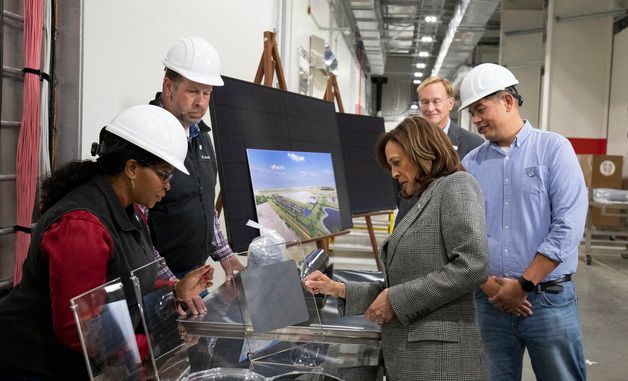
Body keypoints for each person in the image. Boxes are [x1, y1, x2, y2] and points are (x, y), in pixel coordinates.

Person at [0, 105, 214, 380]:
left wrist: (174, 289)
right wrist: (154, 346)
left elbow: (125, 282)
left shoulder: (128, 211)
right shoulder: (81, 226)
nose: (168, 186)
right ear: (132, 168)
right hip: (30, 365)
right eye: (163, 174)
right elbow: (82, 327)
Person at [305, 116, 489, 381]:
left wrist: (396, 300)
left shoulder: (456, 185)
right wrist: (338, 289)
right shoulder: (424, 197)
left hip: (440, 362)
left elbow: (472, 266)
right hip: (414, 357)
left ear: (421, 152)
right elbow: (401, 284)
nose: (393, 173)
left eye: (396, 163)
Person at [460, 63, 588, 380]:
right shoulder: (470, 164)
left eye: (480, 109)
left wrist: (524, 285)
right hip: (489, 303)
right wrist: (491, 288)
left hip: (548, 300)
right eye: (472, 113)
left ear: (507, 101)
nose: (475, 120)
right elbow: (460, 233)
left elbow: (568, 226)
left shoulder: (554, 149)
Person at [147, 36, 244, 281]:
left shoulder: (201, 135)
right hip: (158, 279)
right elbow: (136, 224)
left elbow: (204, 203)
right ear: (169, 87)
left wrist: (225, 254)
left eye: (206, 93)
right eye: (192, 91)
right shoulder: (147, 136)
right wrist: (171, 284)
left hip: (193, 275)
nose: (200, 102)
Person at [395, 76, 483, 224]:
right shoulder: (404, 141)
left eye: (436, 101)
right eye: (425, 102)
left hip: (453, 228)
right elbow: (396, 185)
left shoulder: (473, 144)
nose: (430, 108)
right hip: (409, 225)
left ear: (450, 103)